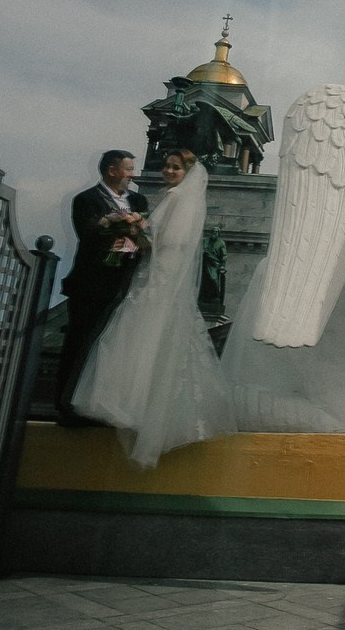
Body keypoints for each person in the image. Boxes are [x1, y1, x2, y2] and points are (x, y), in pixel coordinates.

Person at [73, 151, 237, 465]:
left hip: (160, 276)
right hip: (152, 273)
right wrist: (129, 239)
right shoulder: (169, 197)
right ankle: (134, 406)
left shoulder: (178, 199)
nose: (168, 171)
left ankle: (135, 407)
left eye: (175, 167)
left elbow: (170, 241)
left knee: (144, 336)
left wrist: (133, 236)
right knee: (141, 337)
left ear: (187, 172)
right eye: (166, 166)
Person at [55, 149, 148, 424]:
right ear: (111, 171)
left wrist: (136, 238)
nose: (132, 175)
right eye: (128, 169)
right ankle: (68, 405)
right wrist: (114, 227)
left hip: (126, 283)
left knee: (113, 346)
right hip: (92, 283)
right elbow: (88, 233)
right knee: (81, 342)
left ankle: (101, 405)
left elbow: (144, 234)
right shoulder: (86, 200)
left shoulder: (139, 200)